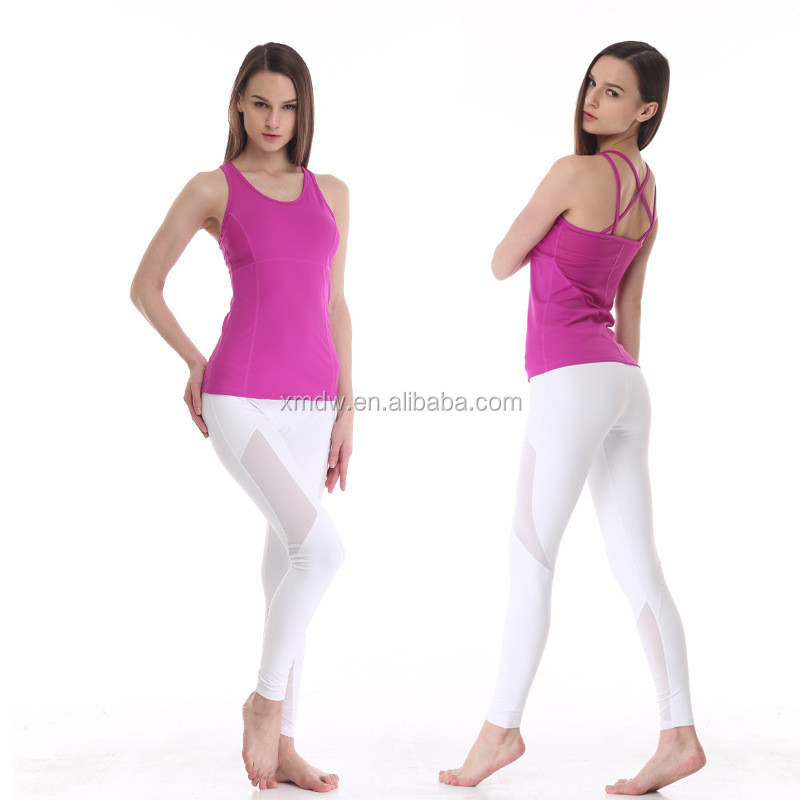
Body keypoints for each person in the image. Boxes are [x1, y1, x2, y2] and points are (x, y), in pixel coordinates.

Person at [439, 41, 706, 795]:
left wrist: (587, 387)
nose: (592, 98)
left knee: (531, 558)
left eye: (614, 92)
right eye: (592, 83)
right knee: (639, 565)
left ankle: (500, 730)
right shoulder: (648, 192)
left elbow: (501, 261)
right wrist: (616, 387)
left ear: (647, 109)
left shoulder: (572, 172)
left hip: (570, 380)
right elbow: (631, 304)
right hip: (624, 381)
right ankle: (679, 736)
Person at [130, 42, 353, 793]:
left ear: (303, 112)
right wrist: (194, 361)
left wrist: (348, 406)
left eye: (287, 106)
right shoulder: (212, 188)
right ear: (238, 104)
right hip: (240, 396)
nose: (273, 119)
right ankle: (263, 703)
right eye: (260, 103)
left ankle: (284, 743)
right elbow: (145, 284)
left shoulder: (331, 192)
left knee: (290, 564)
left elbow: (335, 302)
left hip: (314, 403)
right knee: (321, 552)